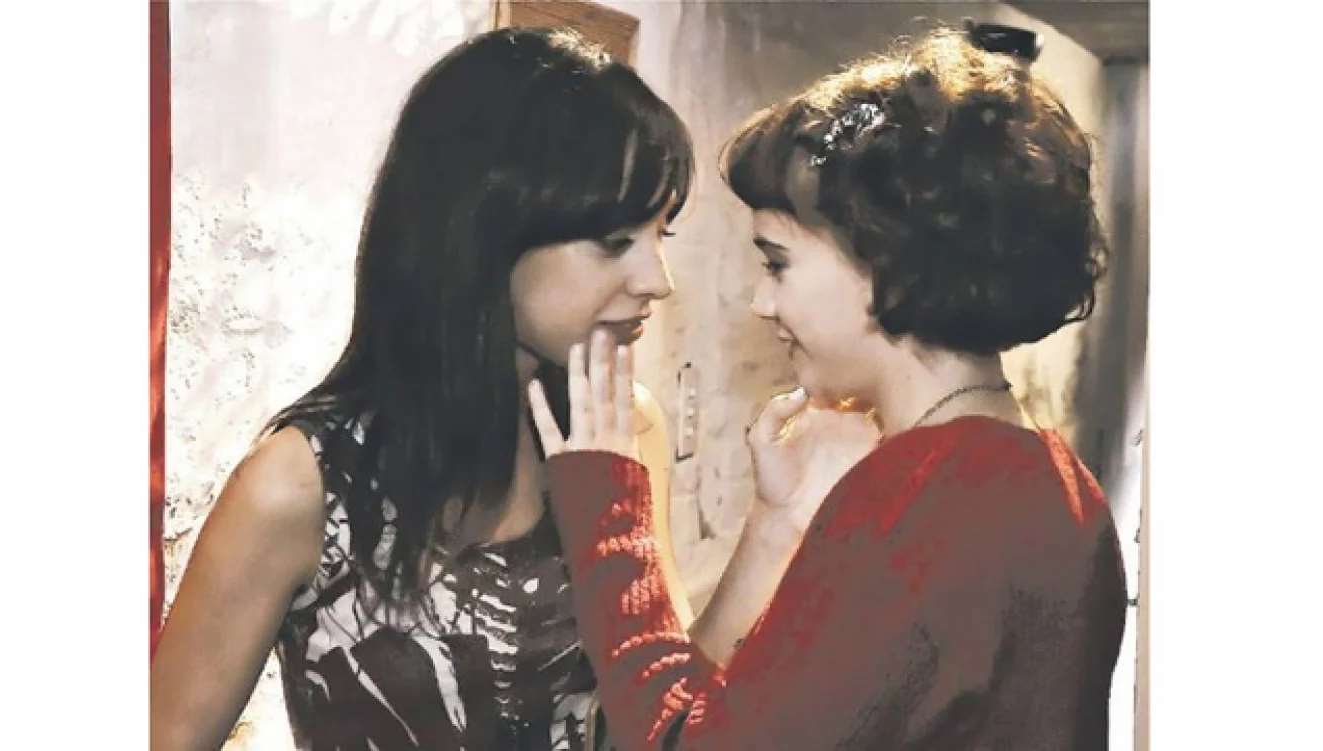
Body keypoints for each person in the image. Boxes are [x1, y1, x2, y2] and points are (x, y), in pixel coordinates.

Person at [528, 27, 1127, 750]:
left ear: (884, 265)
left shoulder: (916, 504)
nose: (762, 303)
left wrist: (609, 517)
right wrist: (776, 522)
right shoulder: (1061, 486)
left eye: (777, 263)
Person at [151, 26, 698, 750]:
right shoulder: (302, 485)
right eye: (615, 241)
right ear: (486, 228)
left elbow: (667, 713)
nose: (657, 279)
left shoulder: (622, 431)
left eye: (662, 234)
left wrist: (772, 534)